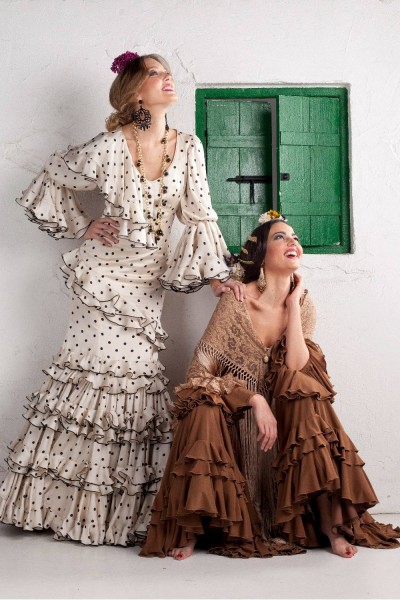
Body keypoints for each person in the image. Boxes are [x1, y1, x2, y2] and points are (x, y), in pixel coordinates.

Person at [0, 51, 242, 546]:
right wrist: (84, 225)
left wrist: (219, 277)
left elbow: (201, 214)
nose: (168, 78)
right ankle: (62, 507)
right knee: (91, 380)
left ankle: (129, 512)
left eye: (168, 72)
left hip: (146, 282)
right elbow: (54, 173)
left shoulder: (189, 147)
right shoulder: (110, 145)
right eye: (155, 73)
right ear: (135, 92)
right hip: (100, 280)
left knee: (137, 381)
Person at [140, 211, 400, 559]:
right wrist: (254, 400)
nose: (292, 242)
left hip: (284, 418)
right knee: (202, 406)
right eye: (280, 237)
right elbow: (197, 375)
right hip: (237, 419)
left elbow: (296, 366)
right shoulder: (236, 301)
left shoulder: (303, 304)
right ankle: (191, 527)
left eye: (295, 237)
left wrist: (293, 304)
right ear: (262, 256)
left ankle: (330, 524)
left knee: (305, 392)